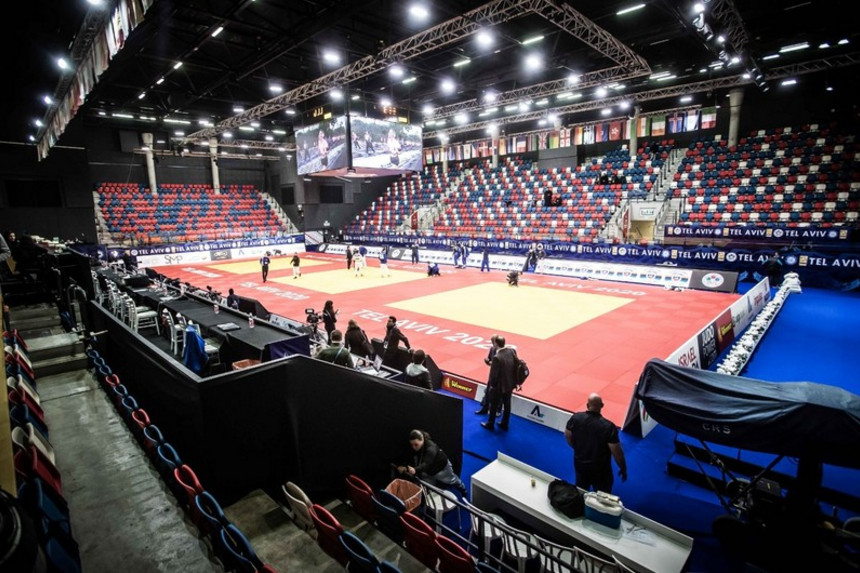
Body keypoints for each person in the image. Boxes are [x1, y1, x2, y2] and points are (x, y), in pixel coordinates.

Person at [564, 393, 627, 493]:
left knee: (580, 490)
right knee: (603, 494)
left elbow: (567, 436)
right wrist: (623, 467)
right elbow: (617, 452)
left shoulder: (576, 418)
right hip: (600, 469)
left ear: (587, 405)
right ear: (602, 406)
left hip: (580, 464)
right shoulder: (608, 427)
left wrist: (577, 448)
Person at [395, 429, 467, 496]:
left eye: (416, 445)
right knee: (428, 488)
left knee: (452, 480)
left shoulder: (431, 448)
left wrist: (415, 469)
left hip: (441, 469)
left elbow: (427, 464)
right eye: (412, 445)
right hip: (428, 471)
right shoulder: (418, 445)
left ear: (422, 439)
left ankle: (462, 488)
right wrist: (404, 466)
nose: (414, 447)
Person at [481, 335, 519, 431]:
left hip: (499, 386)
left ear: (495, 344)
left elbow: (493, 375)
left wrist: (492, 387)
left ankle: (490, 423)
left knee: (493, 405)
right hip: (510, 384)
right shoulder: (511, 351)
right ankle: (505, 423)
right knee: (507, 405)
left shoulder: (497, 357)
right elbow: (515, 366)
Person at [475, 335, 502, 416]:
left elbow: (501, 365)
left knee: (498, 394)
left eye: (493, 342)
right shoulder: (492, 349)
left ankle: (498, 410)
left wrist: (490, 363)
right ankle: (485, 408)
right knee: (487, 392)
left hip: (500, 377)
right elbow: (490, 360)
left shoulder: (504, 352)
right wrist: (487, 361)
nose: (493, 344)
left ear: (497, 342)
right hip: (492, 375)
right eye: (492, 342)